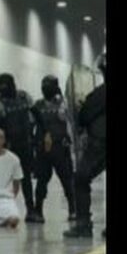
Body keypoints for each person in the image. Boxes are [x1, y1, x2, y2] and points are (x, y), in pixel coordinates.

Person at [64, 53, 106, 239]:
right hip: (99, 143)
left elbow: (84, 116)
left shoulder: (99, 94)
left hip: (99, 144)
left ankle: (83, 225)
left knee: (81, 178)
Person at [0, 73, 37, 222]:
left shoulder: (24, 97)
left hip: (24, 144)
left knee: (26, 179)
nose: (3, 89)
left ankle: (31, 210)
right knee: (1, 180)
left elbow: (37, 116)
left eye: (5, 86)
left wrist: (40, 135)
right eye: (0, 86)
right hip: (7, 147)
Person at [31, 75, 76, 223]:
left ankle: (73, 209)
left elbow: (70, 122)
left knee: (66, 179)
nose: (45, 88)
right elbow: (31, 124)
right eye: (43, 85)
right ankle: (38, 210)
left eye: (49, 85)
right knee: (42, 180)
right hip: (43, 148)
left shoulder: (63, 104)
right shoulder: (37, 105)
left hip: (59, 147)